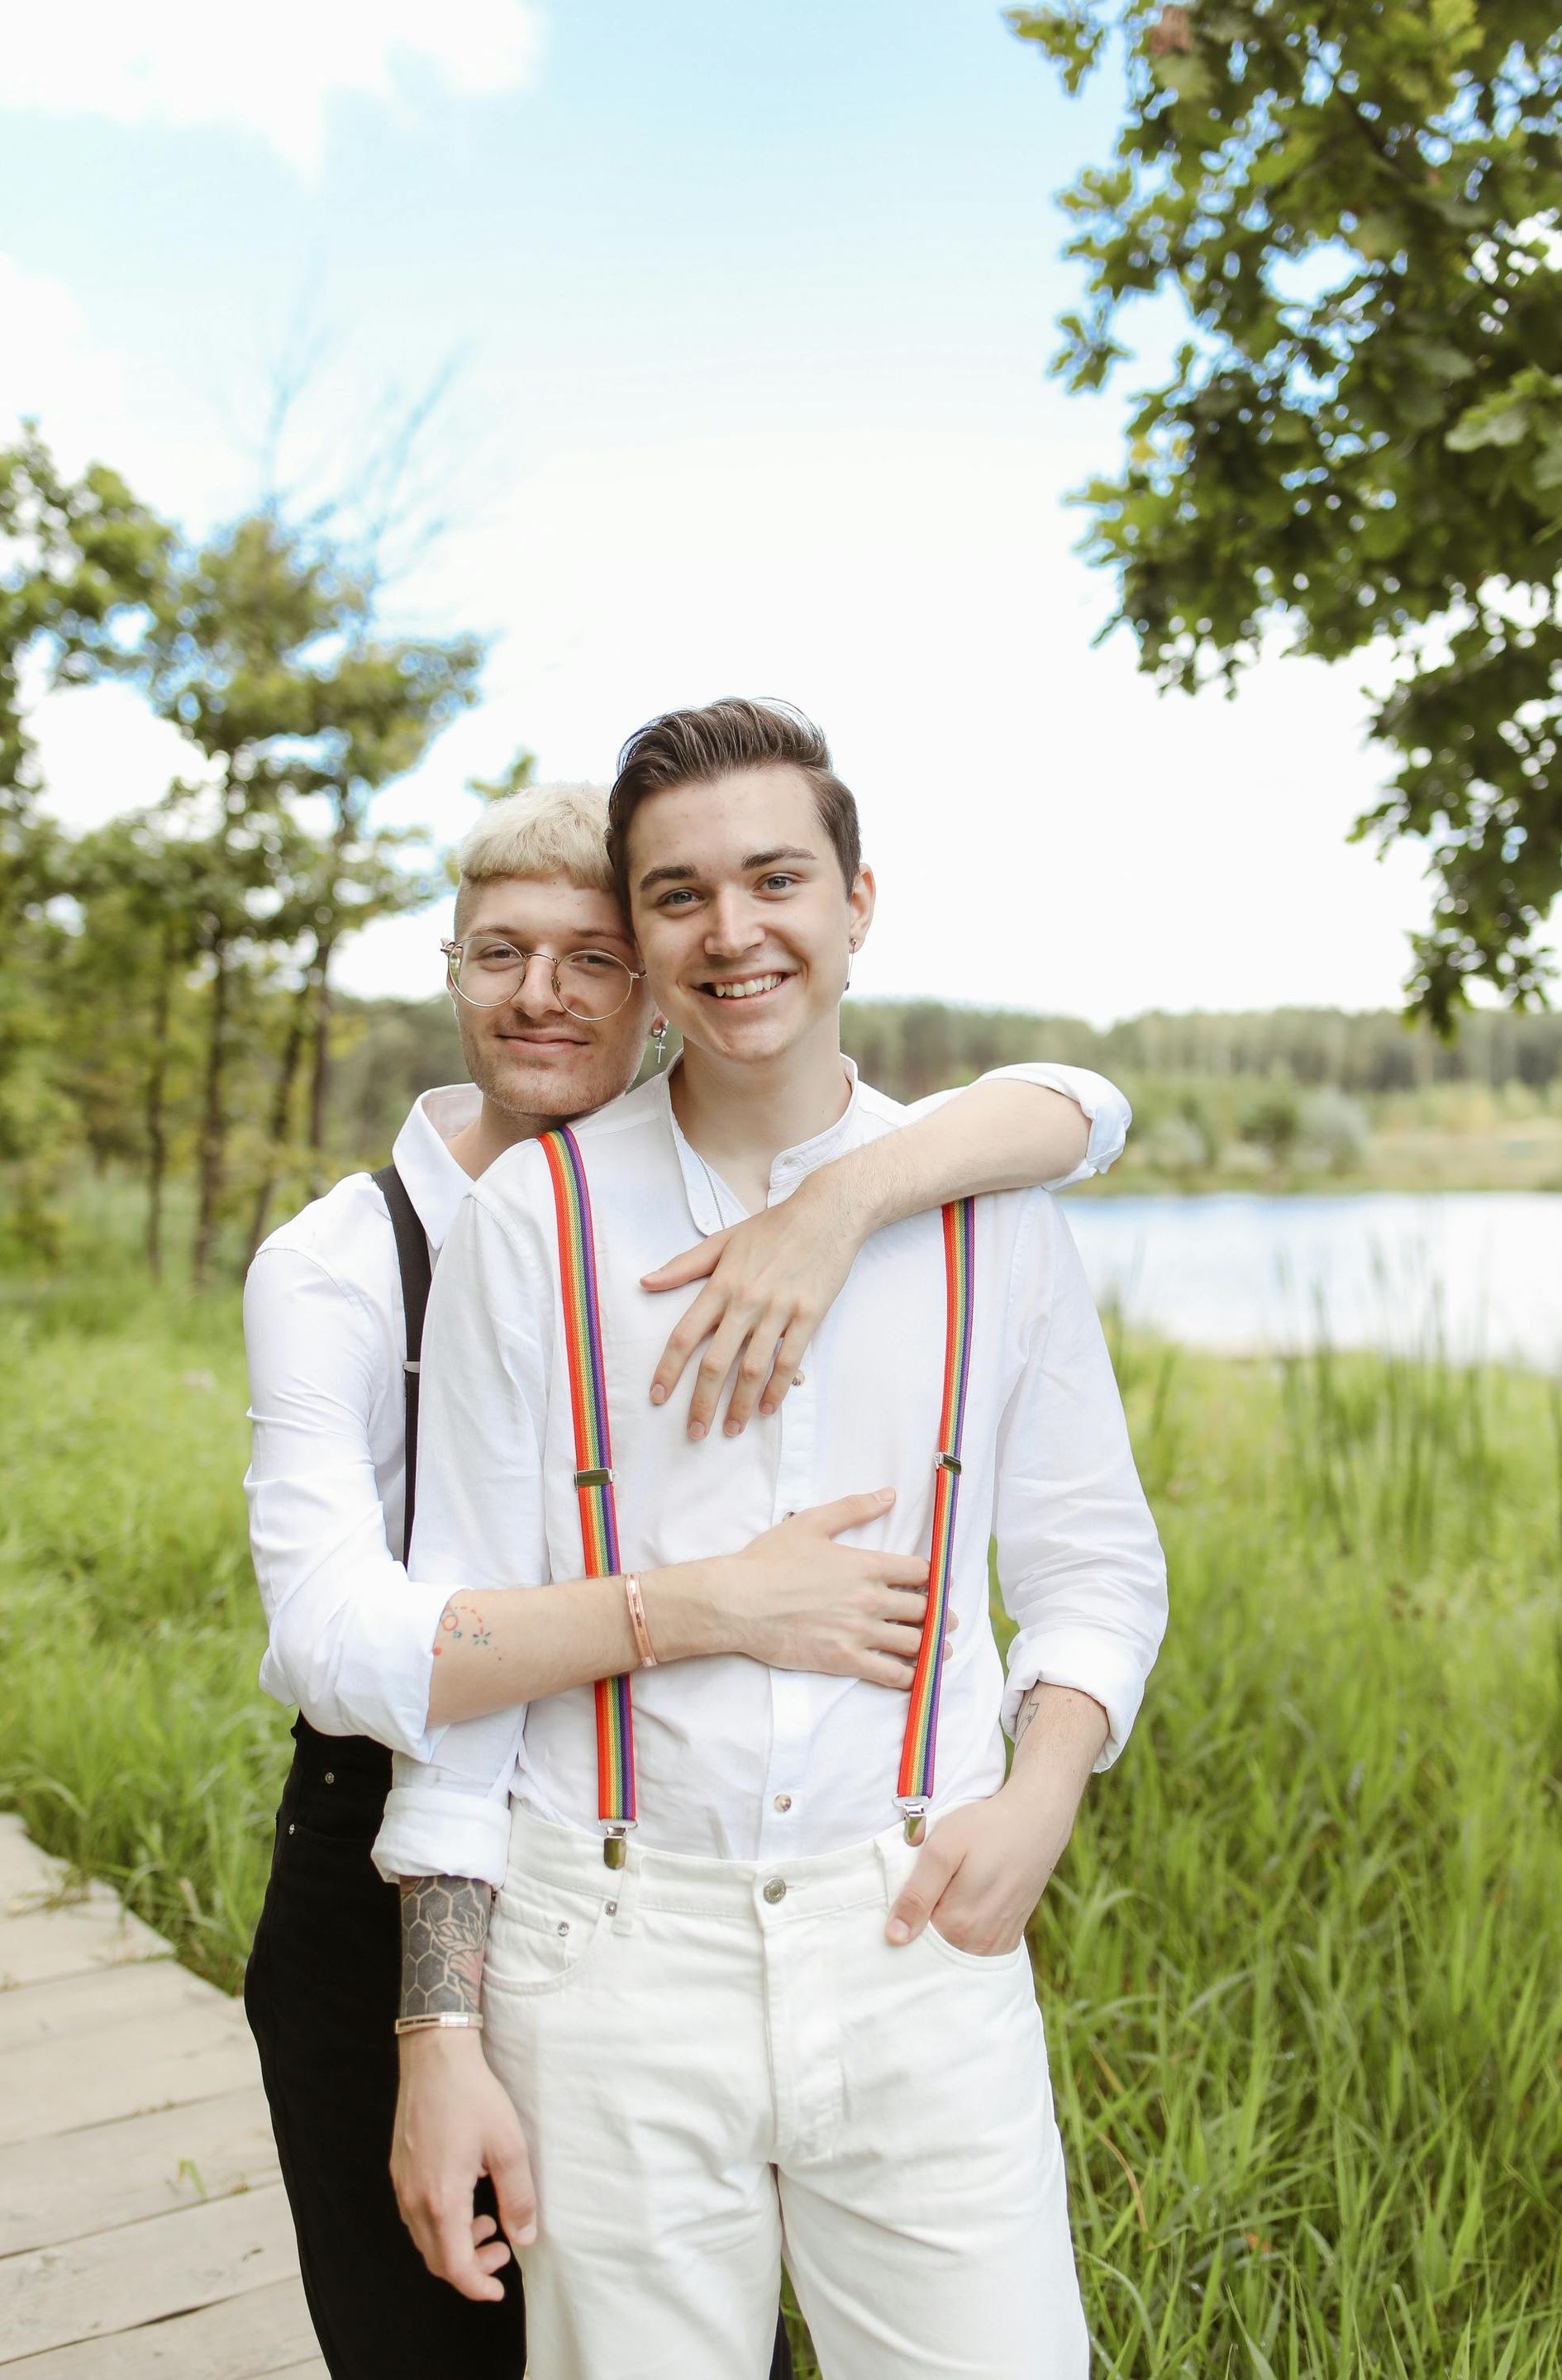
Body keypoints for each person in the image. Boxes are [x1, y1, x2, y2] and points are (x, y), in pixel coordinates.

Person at [241, 775, 1135, 2380]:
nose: (546, 995)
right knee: (425, 2340)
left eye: (591, 954)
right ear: (447, 967)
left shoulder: (949, 1197)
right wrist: (706, 1607)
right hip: (464, 1853)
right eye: (503, 952)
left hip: (880, 1932)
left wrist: (847, 1192)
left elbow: (1082, 1114)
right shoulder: (377, 1255)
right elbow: (339, 1639)